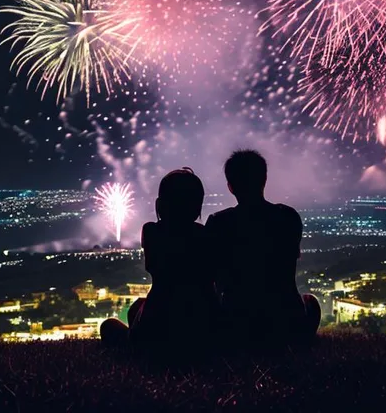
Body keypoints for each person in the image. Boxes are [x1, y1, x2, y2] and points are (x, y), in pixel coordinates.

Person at [205, 149, 321, 348]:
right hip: (285, 318)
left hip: (235, 321)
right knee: (311, 303)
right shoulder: (288, 217)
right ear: (264, 180)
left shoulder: (219, 222)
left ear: (230, 187)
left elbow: (211, 274)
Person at [100, 168, 219, 354]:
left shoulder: (151, 231)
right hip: (203, 322)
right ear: (197, 207)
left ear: (161, 204)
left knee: (109, 326)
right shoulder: (206, 235)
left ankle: (136, 348)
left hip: (158, 320)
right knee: (137, 305)